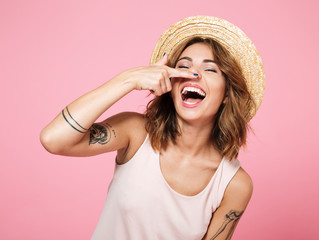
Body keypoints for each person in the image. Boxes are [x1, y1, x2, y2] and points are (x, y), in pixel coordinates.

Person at [40, 16, 265, 240]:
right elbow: (53, 139)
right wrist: (129, 79)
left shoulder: (234, 185)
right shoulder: (135, 132)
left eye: (210, 70)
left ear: (226, 94)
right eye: (183, 66)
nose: (193, 75)